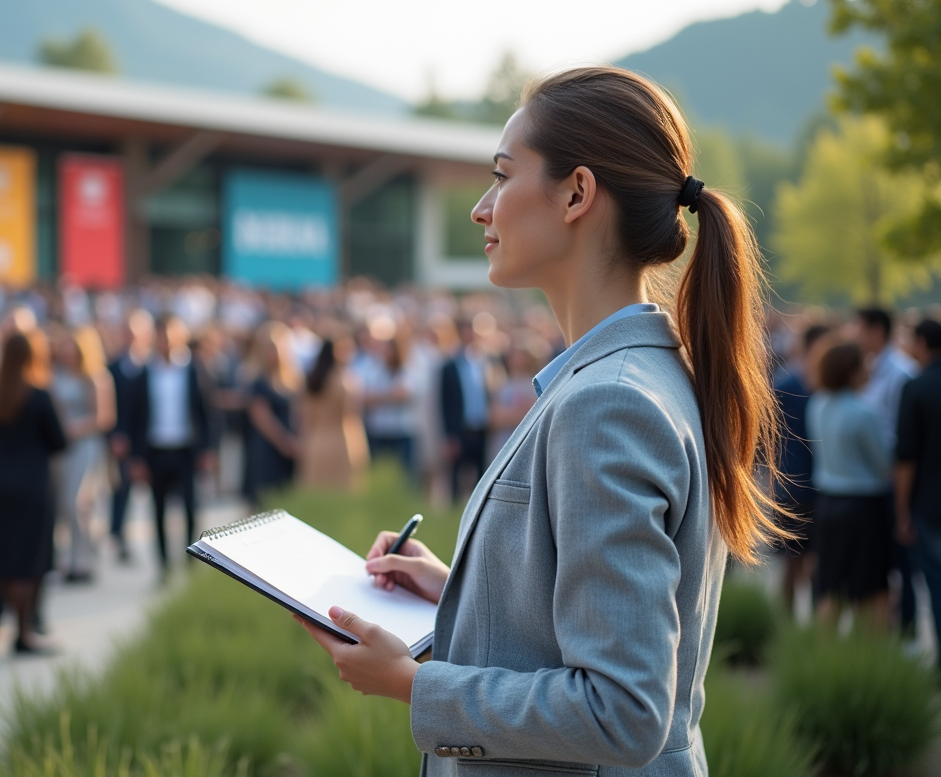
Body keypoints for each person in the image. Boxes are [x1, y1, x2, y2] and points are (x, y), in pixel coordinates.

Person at [296, 67, 785, 777]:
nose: (482, 209)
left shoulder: (608, 403)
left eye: (502, 175)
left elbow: (623, 712)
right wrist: (462, 589)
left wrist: (412, 684)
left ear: (577, 194)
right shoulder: (633, 377)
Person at [0, 332, 67, 655]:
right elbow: (59, 441)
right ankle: (25, 631)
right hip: (33, 484)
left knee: (5, 556)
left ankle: (12, 621)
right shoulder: (40, 396)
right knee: (32, 558)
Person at [807, 341, 892, 628]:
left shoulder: (817, 403)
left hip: (829, 502)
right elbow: (882, 464)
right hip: (863, 505)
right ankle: (871, 660)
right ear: (851, 370)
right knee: (872, 588)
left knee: (829, 586)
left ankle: (823, 657)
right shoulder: (863, 411)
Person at [130, 315, 215, 571]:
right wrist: (136, 457)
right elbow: (134, 416)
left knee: (190, 508)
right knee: (158, 510)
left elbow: (208, 412)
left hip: (186, 449)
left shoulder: (194, 369)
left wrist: (209, 449)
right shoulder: (145, 371)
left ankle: (191, 562)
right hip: (155, 449)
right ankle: (164, 564)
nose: (166, 341)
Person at [855, 306, 920, 634]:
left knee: (902, 559)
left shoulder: (901, 372)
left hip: (893, 476)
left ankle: (907, 628)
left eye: (860, 328)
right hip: (875, 478)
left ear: (877, 331)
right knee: (884, 559)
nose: (855, 335)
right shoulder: (871, 367)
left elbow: (903, 432)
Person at [772, 323, 832, 615]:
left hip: (817, 485)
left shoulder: (818, 384)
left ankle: (807, 629)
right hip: (794, 486)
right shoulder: (788, 386)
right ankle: (788, 625)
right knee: (793, 562)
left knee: (813, 563)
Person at [50, 326, 115, 583]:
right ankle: (65, 560)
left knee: (77, 503)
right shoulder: (54, 374)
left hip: (85, 445)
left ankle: (84, 560)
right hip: (59, 447)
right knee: (60, 506)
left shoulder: (95, 376)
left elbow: (105, 417)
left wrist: (74, 428)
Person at [894, 318, 941, 668]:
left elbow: (905, 458)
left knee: (936, 585)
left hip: (930, 503)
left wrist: (901, 512)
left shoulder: (917, 388)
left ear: (923, 344)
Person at [107, 310, 152, 563]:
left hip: (145, 440)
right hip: (120, 441)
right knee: (119, 488)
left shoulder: (151, 368)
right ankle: (118, 534)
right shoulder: (113, 368)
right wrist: (115, 435)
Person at [298, 336, 368, 490]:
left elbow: (305, 417)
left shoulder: (313, 379)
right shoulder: (346, 381)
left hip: (316, 443)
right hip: (343, 442)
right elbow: (352, 412)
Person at [244, 321, 299, 506]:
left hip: (291, 449)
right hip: (268, 451)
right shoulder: (258, 381)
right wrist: (287, 443)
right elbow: (262, 418)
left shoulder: (293, 379)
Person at [439, 320, 490, 501]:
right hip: (461, 429)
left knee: (482, 476)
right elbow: (444, 403)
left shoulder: (485, 361)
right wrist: (449, 435)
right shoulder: (449, 365)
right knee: (456, 477)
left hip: (482, 428)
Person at [362, 331, 416, 475]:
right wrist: (390, 396)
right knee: (377, 474)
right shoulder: (374, 371)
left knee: (405, 475)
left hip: (402, 431)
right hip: (379, 431)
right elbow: (366, 399)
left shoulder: (407, 371)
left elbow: (403, 395)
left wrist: (380, 398)